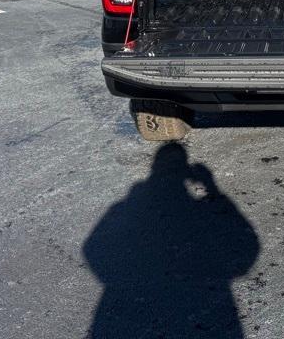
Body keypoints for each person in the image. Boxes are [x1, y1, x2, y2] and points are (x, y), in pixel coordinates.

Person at [83, 143, 260, 338]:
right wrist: (212, 189)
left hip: (131, 303)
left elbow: (92, 248)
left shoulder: (124, 206)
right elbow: (247, 245)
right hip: (207, 301)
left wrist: (116, 278)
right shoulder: (130, 207)